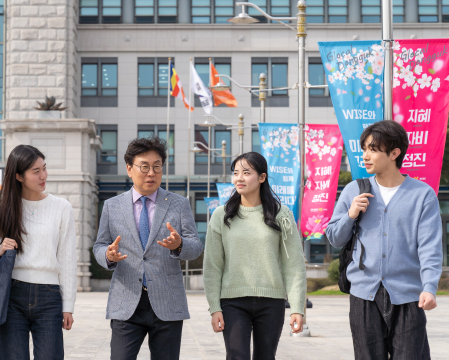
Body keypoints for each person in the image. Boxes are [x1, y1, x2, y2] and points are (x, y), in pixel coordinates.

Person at [326, 120, 442, 360]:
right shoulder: (353, 191)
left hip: (408, 295)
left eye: (373, 149)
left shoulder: (422, 195)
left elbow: (430, 247)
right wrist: (350, 215)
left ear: (394, 153)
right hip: (363, 294)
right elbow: (335, 238)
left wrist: (429, 287)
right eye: (364, 149)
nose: (365, 156)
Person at [93, 136, 203, 360]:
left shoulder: (178, 204)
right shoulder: (112, 206)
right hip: (126, 303)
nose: (151, 173)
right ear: (129, 169)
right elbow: (99, 245)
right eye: (144, 167)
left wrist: (180, 245)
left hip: (167, 303)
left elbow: (196, 246)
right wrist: (107, 255)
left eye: (157, 167)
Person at [203, 152, 306, 360]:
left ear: (262, 177)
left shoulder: (281, 214)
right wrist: (214, 307)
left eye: (246, 173)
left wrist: (297, 307)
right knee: (236, 356)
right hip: (232, 302)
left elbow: (293, 265)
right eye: (235, 173)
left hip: (272, 302)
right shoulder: (221, 215)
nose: (239, 178)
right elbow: (213, 265)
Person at [0, 145, 77, 360]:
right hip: (11, 293)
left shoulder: (62, 207)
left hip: (50, 296)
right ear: (18, 176)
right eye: (36, 171)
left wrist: (68, 305)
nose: (43, 175)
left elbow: (67, 259)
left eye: (44, 168)